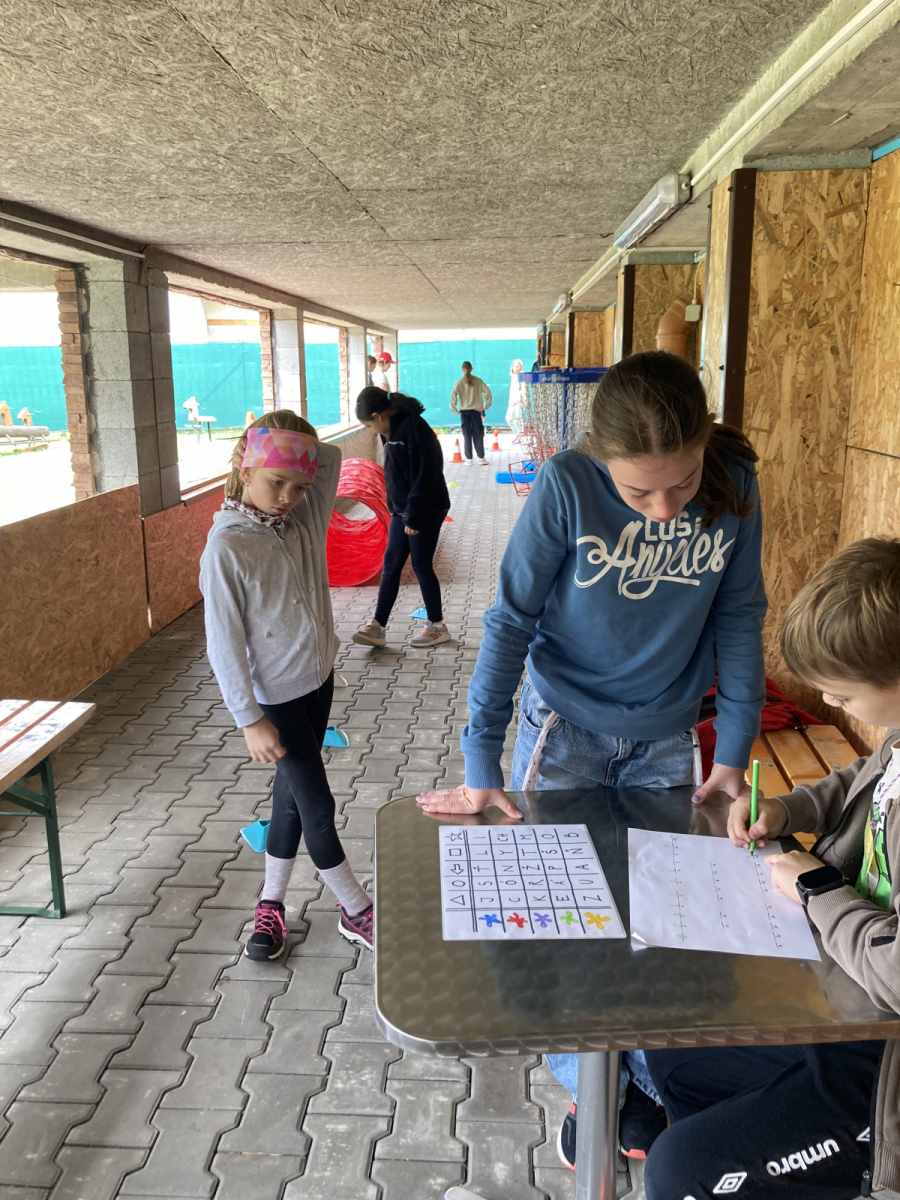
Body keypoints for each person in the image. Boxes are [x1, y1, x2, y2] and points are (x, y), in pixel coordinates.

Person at [419, 350, 767, 1163]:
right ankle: (591, 1084)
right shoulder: (567, 485)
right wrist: (481, 762)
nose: (664, 510)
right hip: (563, 731)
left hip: (667, 740)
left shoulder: (737, 483)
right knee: (559, 928)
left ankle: (645, 1079)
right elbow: (508, 621)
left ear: (706, 445)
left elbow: (740, 613)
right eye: (639, 493)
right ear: (601, 459)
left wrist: (735, 751)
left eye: (682, 485)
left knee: (660, 929)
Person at [644, 536, 900, 1200]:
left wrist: (815, 885)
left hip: (881, 1066)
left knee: (678, 1169)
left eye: (843, 694)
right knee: (675, 1053)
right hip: (837, 998)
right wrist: (788, 809)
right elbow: (864, 777)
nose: (832, 704)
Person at [199, 411, 373, 962]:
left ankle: (270, 902)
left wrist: (298, 452)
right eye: (276, 482)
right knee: (316, 805)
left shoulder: (302, 520)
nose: (287, 498)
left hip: (317, 682)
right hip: (274, 699)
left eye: (299, 487)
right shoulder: (226, 549)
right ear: (244, 467)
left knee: (291, 799)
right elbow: (223, 644)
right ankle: (356, 910)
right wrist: (249, 719)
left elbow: (332, 459)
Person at [351, 387, 452, 649]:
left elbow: (426, 475)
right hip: (403, 510)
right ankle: (378, 626)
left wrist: (414, 517)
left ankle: (437, 626)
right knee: (391, 565)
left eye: (369, 425)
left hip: (425, 509)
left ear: (378, 416)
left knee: (421, 565)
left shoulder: (413, 429)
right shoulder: (393, 430)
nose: (371, 431)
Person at [450, 360, 492, 464]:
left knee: (467, 435)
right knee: (478, 434)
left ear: (462, 370)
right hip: (476, 412)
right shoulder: (478, 381)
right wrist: (487, 404)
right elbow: (487, 392)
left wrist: (454, 409)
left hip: (464, 412)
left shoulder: (459, 382)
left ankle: (468, 459)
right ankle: (481, 458)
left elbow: (453, 394)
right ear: (471, 369)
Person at [506, 358, 527, 440]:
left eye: (518, 366)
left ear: (520, 367)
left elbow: (523, 390)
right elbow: (512, 390)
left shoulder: (522, 376)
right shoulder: (513, 376)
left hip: (519, 402)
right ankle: (517, 434)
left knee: (518, 419)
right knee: (508, 418)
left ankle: (520, 437)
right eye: (515, 366)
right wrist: (511, 401)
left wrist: (520, 401)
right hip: (512, 402)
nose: (516, 368)